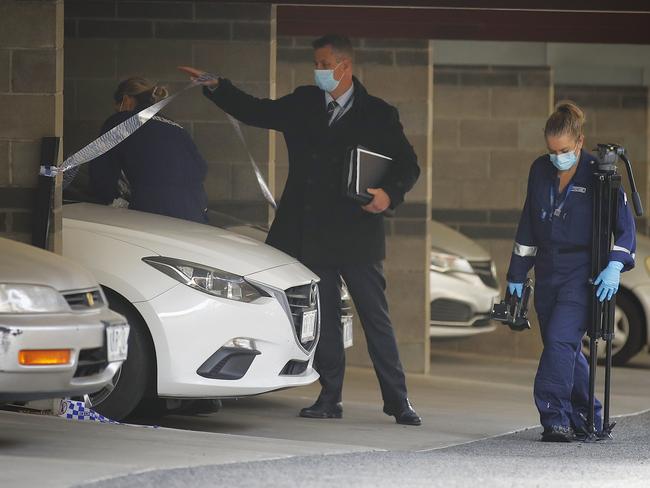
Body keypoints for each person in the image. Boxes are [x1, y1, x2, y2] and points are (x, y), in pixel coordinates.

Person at [179, 34, 422, 425]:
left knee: (376, 319)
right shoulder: (304, 102)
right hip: (311, 231)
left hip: (358, 233)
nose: (320, 71)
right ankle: (330, 397)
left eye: (326, 64)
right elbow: (257, 111)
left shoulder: (379, 113)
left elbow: (408, 165)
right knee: (323, 317)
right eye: (318, 64)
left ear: (345, 67)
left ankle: (399, 401)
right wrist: (218, 87)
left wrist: (389, 196)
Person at [506, 102, 636, 442]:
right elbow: (528, 223)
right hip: (547, 270)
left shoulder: (600, 175)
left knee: (561, 342)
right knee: (560, 347)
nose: (557, 157)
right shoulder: (539, 170)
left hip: (581, 273)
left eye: (564, 150)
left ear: (580, 142)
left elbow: (625, 229)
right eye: (551, 151)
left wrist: (615, 265)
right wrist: (517, 275)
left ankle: (555, 417)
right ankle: (589, 416)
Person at [89, 77, 209, 223]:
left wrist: (109, 203)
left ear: (126, 100)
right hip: (194, 213)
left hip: (151, 213)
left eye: (117, 107)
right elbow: (200, 168)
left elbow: (102, 173)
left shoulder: (120, 121)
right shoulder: (176, 127)